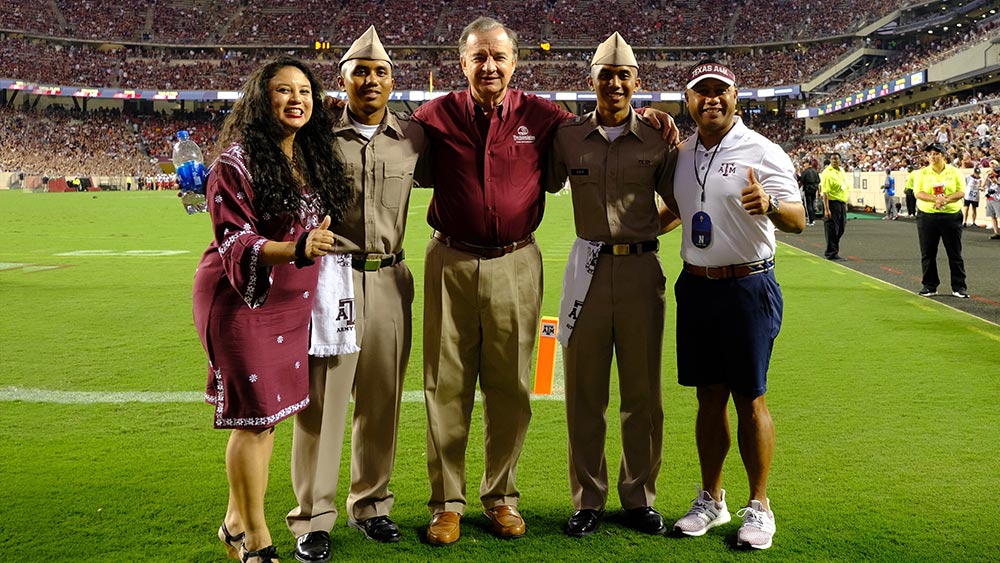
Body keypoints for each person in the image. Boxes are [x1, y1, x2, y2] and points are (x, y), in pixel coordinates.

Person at [411, 16, 676, 547]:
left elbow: (611, 135)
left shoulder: (545, 117)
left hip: (517, 261)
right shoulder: (433, 116)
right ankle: (447, 504)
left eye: (498, 57)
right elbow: (387, 141)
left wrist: (651, 116)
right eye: (478, 57)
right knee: (446, 388)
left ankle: (501, 497)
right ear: (462, 62)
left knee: (512, 385)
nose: (489, 66)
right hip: (451, 260)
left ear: (515, 63)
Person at [193, 57, 352, 563]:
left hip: (288, 302)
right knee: (253, 419)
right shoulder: (235, 162)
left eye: (304, 90)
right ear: (262, 100)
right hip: (241, 298)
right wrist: (300, 248)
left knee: (270, 418)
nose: (296, 99)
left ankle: (234, 520)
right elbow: (235, 240)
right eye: (283, 91)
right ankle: (254, 540)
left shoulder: (307, 153)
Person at [286, 28, 427, 562]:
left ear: (392, 81)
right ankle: (313, 517)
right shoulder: (315, 136)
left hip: (390, 277)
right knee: (322, 403)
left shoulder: (414, 138)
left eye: (380, 72)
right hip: (332, 279)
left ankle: (372, 505)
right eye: (360, 71)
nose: (371, 80)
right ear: (341, 80)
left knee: (381, 399)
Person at [663, 59, 804, 551]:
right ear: (689, 101)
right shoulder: (681, 154)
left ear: (735, 96)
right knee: (708, 397)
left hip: (747, 285)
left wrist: (770, 206)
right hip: (697, 285)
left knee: (750, 397)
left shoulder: (762, 150)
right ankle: (711, 499)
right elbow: (675, 212)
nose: (711, 99)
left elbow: (799, 219)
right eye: (702, 92)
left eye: (720, 91)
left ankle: (759, 506)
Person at [546, 32, 680, 539]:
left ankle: (639, 496)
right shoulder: (567, 137)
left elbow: (684, 199)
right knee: (584, 392)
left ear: (636, 83)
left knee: (642, 393)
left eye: (624, 75)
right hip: (587, 269)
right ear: (592, 82)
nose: (615, 83)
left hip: (642, 271)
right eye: (606, 74)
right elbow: (543, 182)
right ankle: (588, 498)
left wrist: (648, 231)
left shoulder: (657, 137)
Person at [913, 143, 968, 298]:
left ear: (943, 155)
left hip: (950, 216)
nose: (932, 156)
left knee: (955, 252)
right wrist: (935, 200)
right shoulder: (922, 173)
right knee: (928, 252)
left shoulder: (954, 172)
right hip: (927, 216)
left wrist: (945, 200)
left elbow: (961, 191)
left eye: (936, 153)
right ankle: (929, 285)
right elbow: (919, 193)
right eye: (930, 154)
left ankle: (959, 287)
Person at [820, 152, 849, 260]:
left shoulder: (841, 171)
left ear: (840, 160)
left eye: (836, 159)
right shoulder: (827, 173)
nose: (834, 161)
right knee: (832, 229)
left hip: (841, 202)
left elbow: (845, 187)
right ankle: (831, 252)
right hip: (832, 203)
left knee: (841, 228)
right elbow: (825, 192)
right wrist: (827, 209)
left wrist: (845, 203)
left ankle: (833, 249)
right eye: (832, 159)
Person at [799, 158, 820, 226]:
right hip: (814, 189)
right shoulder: (815, 171)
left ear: (808, 163)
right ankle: (813, 219)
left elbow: (802, 181)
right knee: (812, 204)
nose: (804, 165)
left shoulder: (805, 172)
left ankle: (811, 220)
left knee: (808, 205)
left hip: (807, 189)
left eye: (804, 163)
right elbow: (819, 181)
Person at [983, 168, 1000, 239]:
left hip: (997, 199)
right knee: (992, 216)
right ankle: (996, 233)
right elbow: (984, 185)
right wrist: (987, 177)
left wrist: (997, 182)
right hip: (990, 198)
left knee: (999, 215)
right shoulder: (990, 179)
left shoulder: (998, 179)